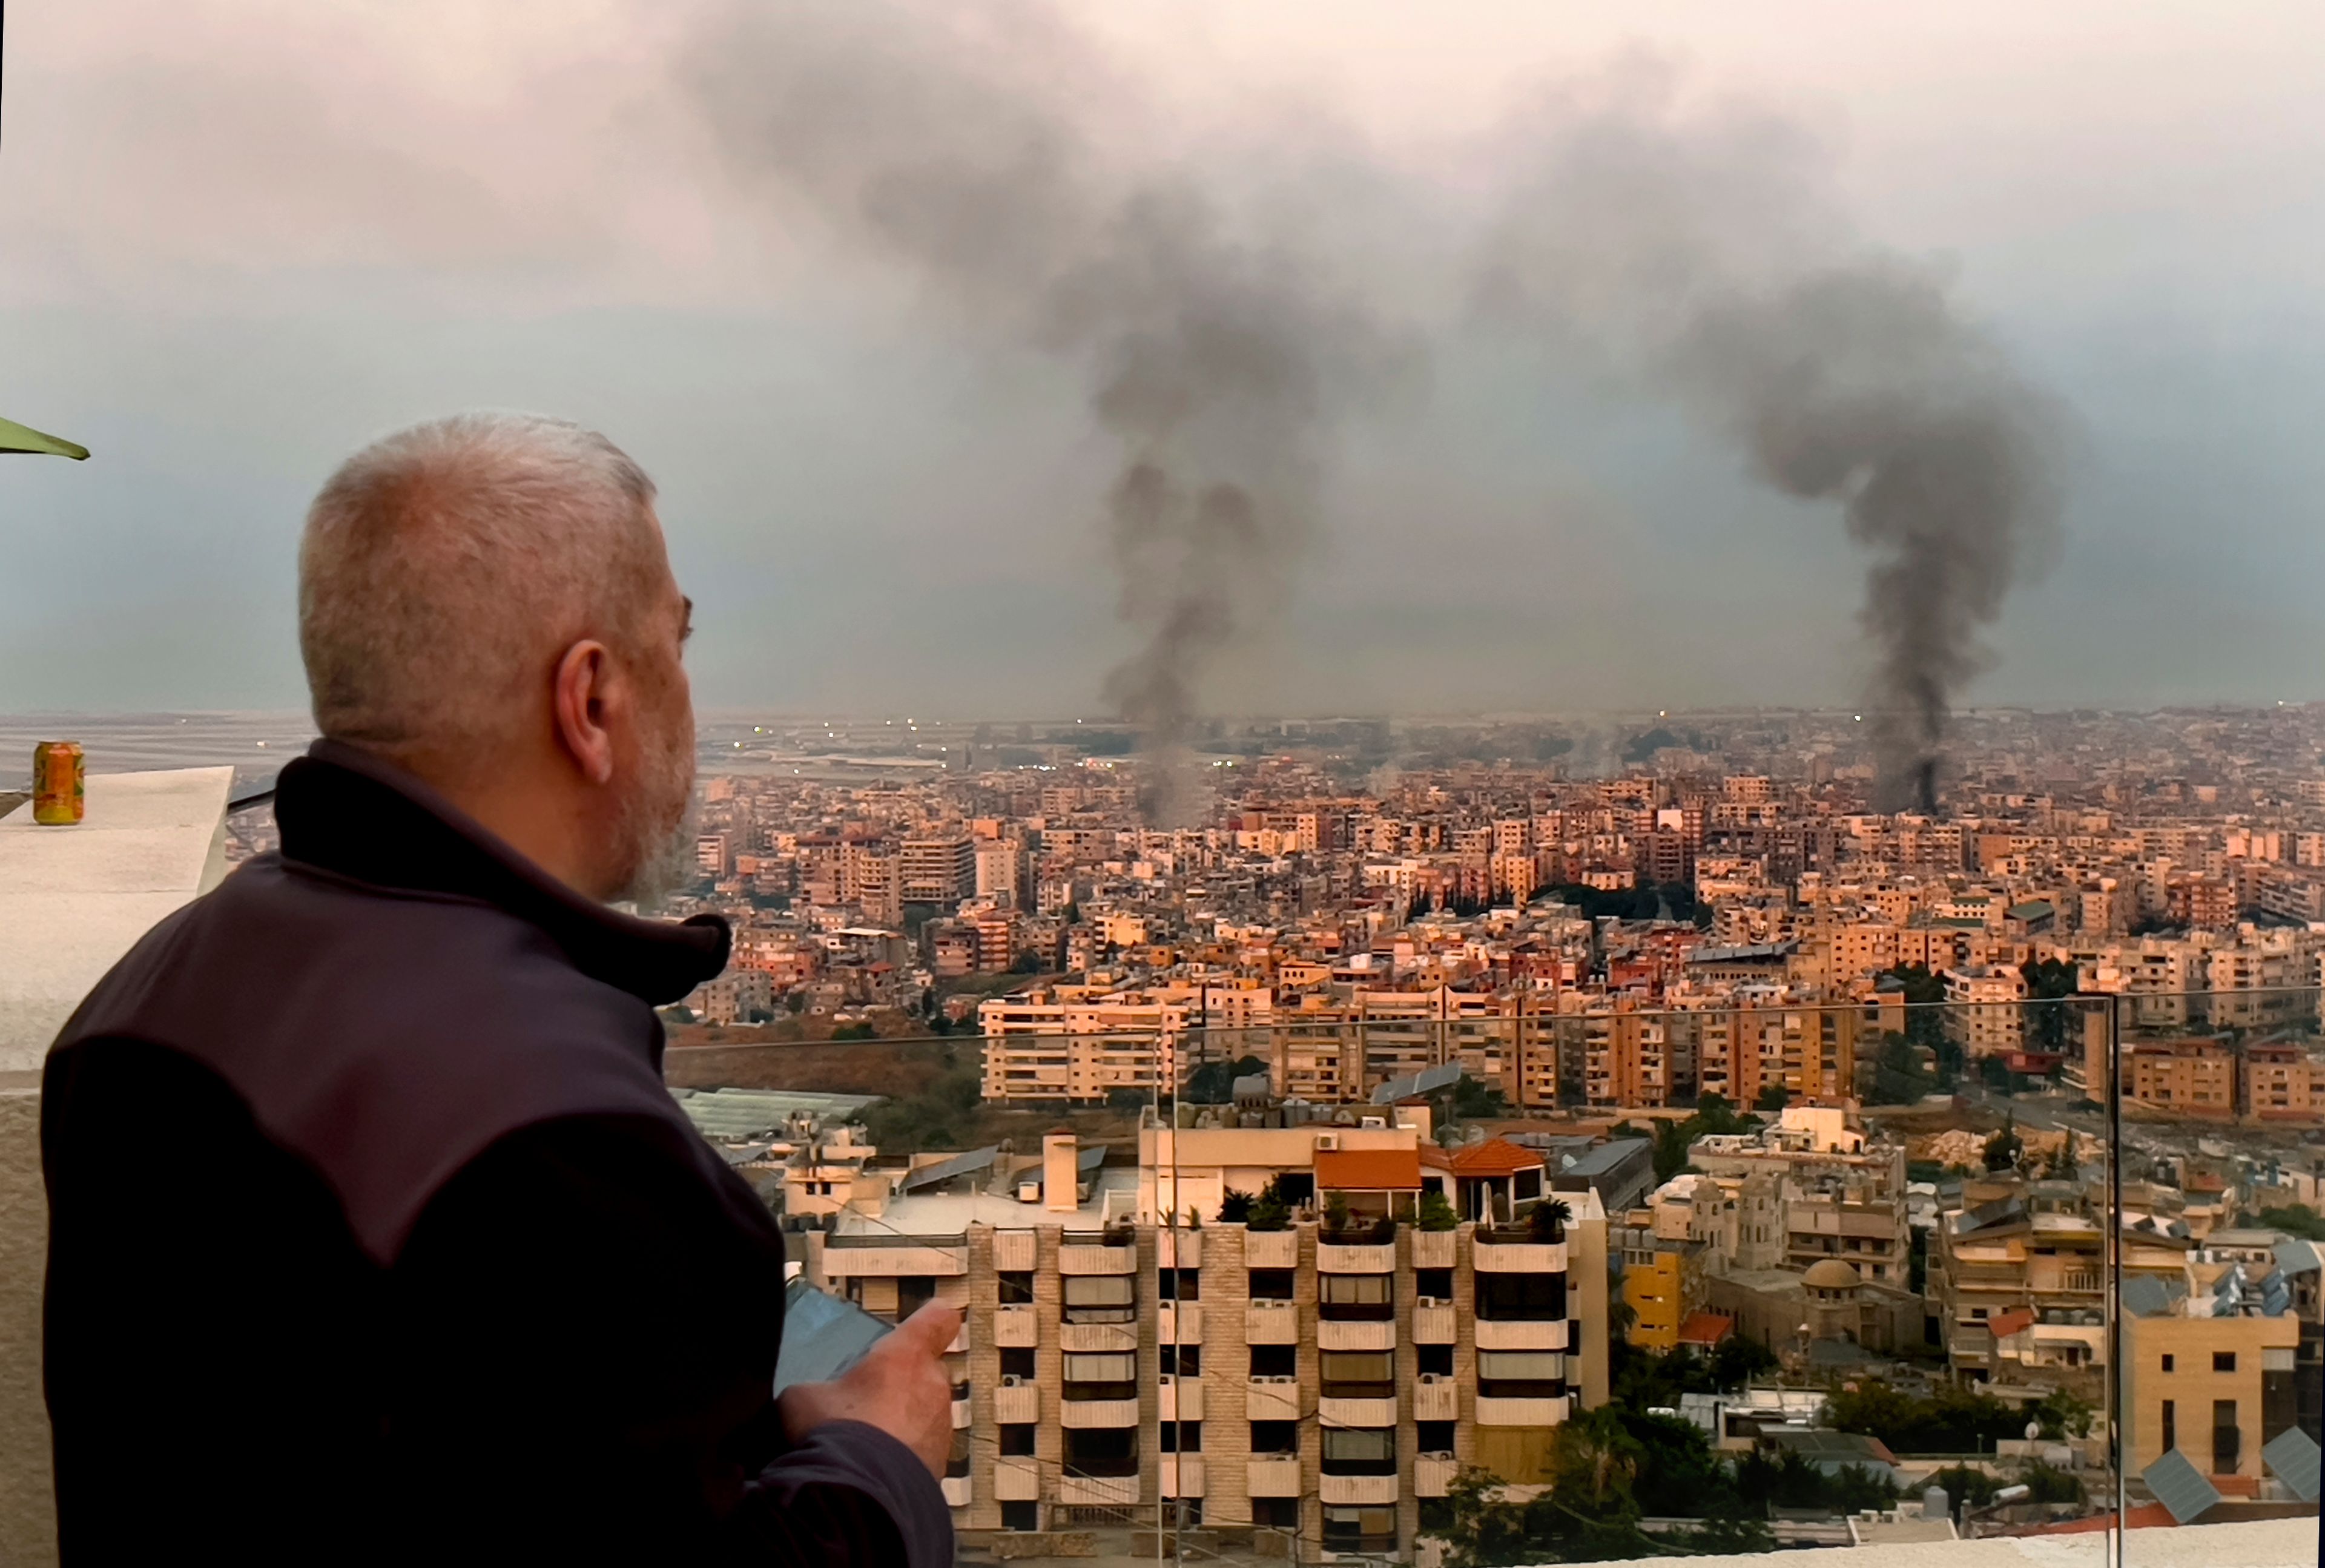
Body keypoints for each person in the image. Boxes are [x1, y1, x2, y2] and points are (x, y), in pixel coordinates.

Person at [41, 413, 958, 1564]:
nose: (689, 698)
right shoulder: (554, 1132)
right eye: (674, 645)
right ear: (589, 700)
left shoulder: (142, 998)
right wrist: (880, 1461)